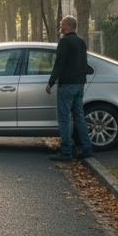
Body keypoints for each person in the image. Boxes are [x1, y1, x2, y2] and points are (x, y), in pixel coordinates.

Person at [46, 15, 93, 161]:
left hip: (67, 85)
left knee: (64, 119)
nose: (61, 26)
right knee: (79, 117)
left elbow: (59, 63)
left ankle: (66, 151)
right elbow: (84, 62)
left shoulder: (65, 41)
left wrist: (51, 82)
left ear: (66, 26)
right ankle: (87, 149)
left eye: (62, 24)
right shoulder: (81, 41)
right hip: (79, 84)